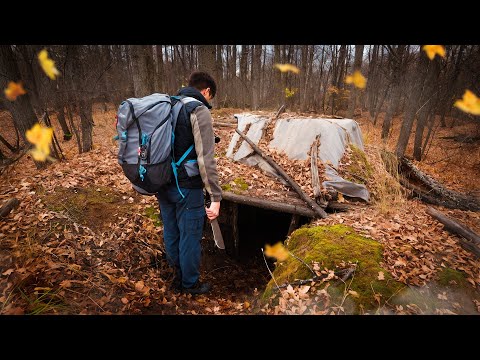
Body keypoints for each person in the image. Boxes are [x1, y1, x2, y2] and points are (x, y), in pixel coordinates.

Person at [156, 71, 222, 295]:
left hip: (162, 182)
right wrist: (215, 198)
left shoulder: (168, 105)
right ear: (206, 91)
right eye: (210, 96)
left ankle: (176, 276)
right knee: (190, 236)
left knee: (171, 231)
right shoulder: (198, 109)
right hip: (187, 187)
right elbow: (206, 158)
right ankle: (190, 284)